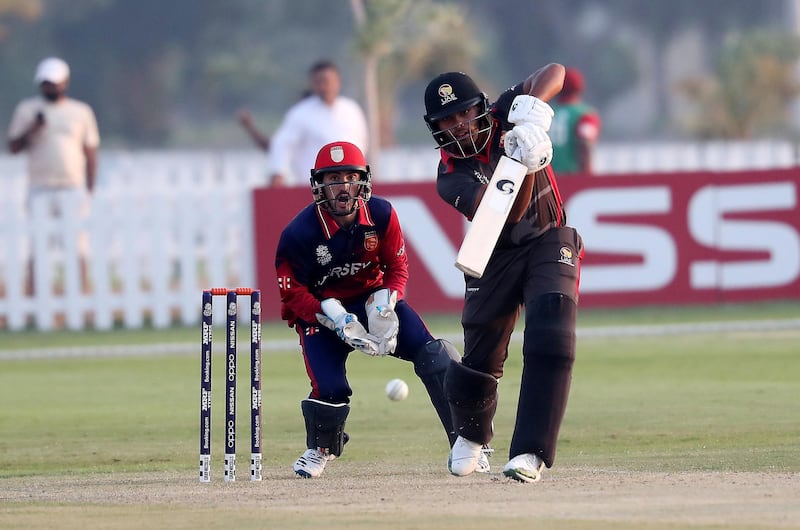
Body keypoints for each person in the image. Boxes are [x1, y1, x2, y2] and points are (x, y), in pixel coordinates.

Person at [275, 140, 490, 478]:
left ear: (363, 180)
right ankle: (321, 449)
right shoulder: (299, 233)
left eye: (350, 177)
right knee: (330, 389)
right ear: (319, 184)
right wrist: (331, 317)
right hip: (324, 314)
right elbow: (292, 294)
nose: (343, 187)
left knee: (435, 356)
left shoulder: (382, 214)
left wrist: (387, 302)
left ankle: (469, 441)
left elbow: (397, 268)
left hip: (373, 301)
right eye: (333, 179)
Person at [422, 65, 584, 483]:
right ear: (436, 129)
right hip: (495, 253)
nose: (459, 126)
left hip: (549, 238)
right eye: (447, 121)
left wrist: (533, 110)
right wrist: (522, 163)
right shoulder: (449, 176)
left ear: (482, 108)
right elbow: (504, 218)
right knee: (480, 360)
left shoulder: (505, 112)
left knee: (552, 333)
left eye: (463, 114)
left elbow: (554, 72)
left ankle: (530, 452)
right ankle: (472, 435)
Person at [7, 57, 100, 295]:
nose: (50, 87)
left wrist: (90, 188)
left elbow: (90, 151)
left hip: (71, 186)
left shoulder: (80, 112)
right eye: (46, 83)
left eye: (54, 83)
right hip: (40, 186)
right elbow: (14, 147)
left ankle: (80, 293)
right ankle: (35, 294)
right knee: (38, 244)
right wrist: (33, 129)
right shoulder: (27, 110)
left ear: (65, 82)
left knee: (76, 244)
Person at [267, 60, 368, 187]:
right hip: (315, 188)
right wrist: (278, 173)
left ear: (337, 81)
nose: (323, 86)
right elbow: (282, 144)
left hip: (352, 188)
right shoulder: (300, 113)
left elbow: (362, 146)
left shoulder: (352, 110)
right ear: (312, 84)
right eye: (318, 82)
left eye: (327, 81)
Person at [549, 67, 601, 174]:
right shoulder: (585, 115)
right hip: (571, 177)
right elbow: (585, 145)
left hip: (547, 180)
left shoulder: (545, 113)